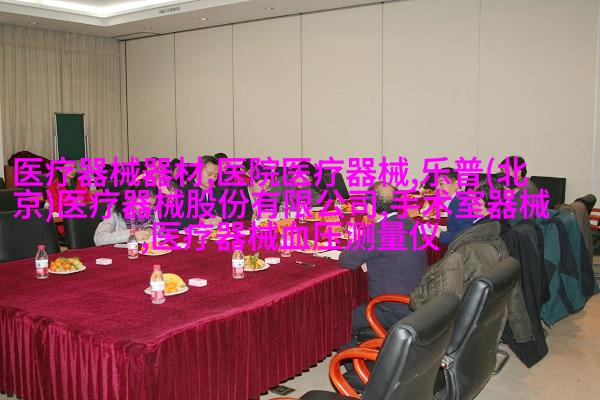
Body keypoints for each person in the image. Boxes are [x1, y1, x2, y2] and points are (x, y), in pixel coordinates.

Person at [410, 178, 532, 342]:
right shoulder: (496, 227)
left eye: (472, 197)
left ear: (481, 203)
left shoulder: (473, 244)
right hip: (488, 307)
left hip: (466, 308)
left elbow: (447, 290)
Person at [338, 182, 427, 344]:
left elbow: (346, 260)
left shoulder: (377, 231)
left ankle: (354, 359)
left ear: (370, 207)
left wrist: (364, 255)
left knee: (341, 320)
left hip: (393, 308)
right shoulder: (408, 222)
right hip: (418, 301)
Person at [93, 186, 158, 246]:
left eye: (151, 205)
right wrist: (132, 235)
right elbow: (99, 238)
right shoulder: (115, 211)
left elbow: (158, 228)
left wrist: (149, 228)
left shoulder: (153, 211)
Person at [435, 168, 476, 244]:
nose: (437, 188)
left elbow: (466, 235)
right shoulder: (460, 197)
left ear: (456, 184)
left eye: (441, 184)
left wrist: (441, 234)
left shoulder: (459, 202)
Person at [500, 155, 539, 224]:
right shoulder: (524, 183)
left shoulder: (521, 190)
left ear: (518, 172)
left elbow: (507, 216)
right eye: (502, 172)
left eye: (506, 171)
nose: (503, 175)